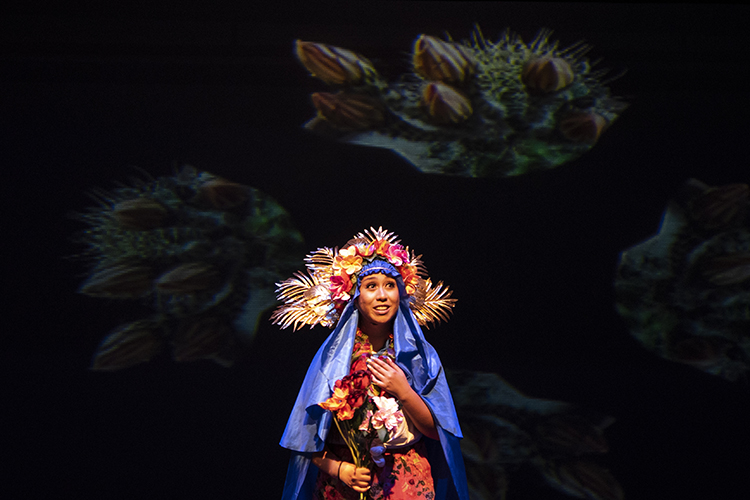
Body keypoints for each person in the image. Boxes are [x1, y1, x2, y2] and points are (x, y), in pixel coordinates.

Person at [272, 227, 469, 500]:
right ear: (354, 295)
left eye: (390, 285)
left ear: (401, 292)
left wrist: (403, 390)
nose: (382, 295)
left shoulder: (420, 357)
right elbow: (304, 436)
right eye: (370, 286)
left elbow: (439, 432)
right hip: (344, 481)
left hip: (405, 480)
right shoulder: (333, 359)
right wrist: (338, 469)